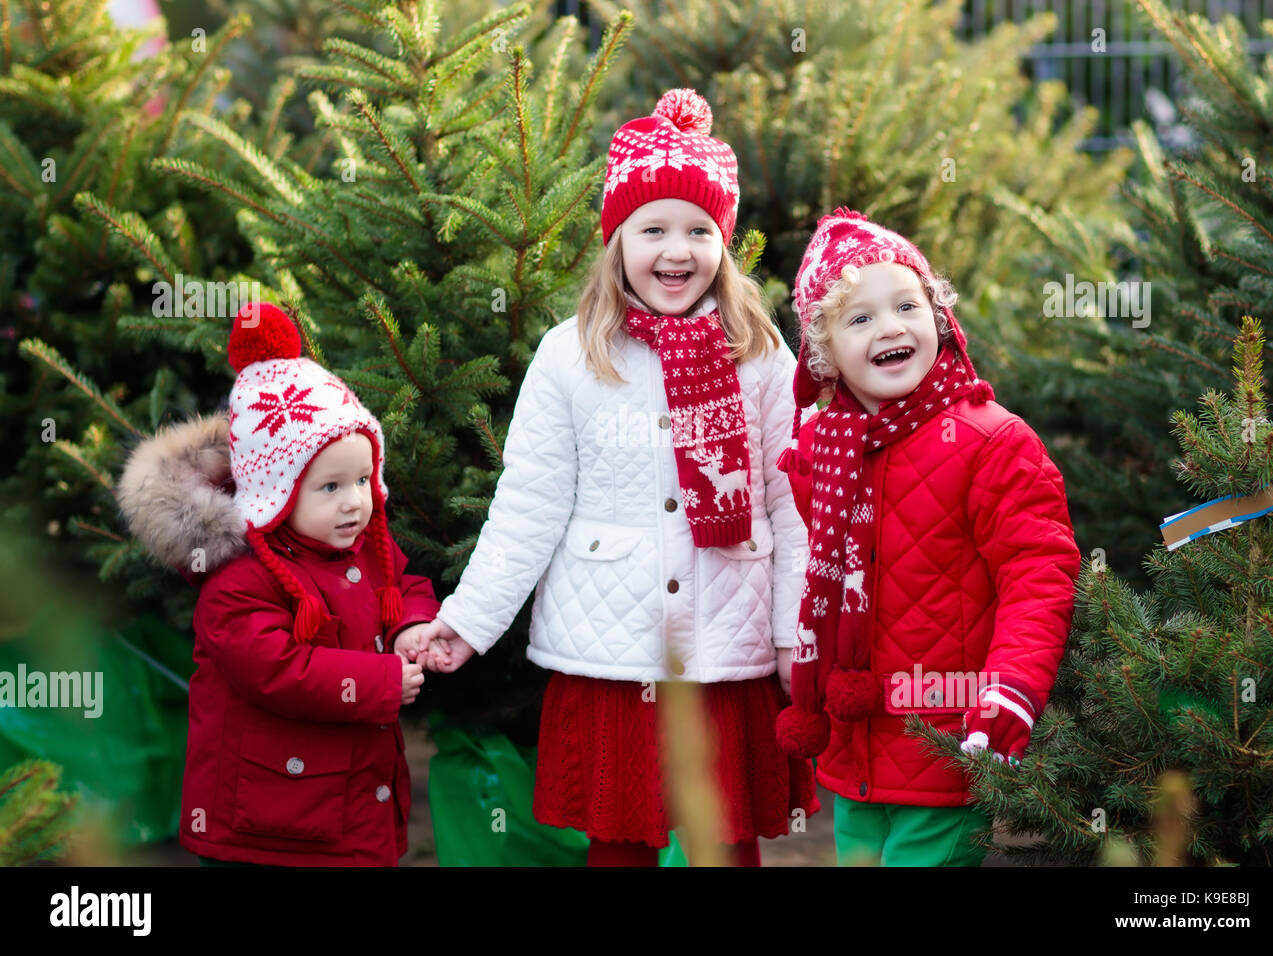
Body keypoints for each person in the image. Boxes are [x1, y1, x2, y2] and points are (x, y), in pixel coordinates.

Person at [423, 88, 817, 867]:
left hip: (725, 648)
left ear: (724, 241)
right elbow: (530, 505)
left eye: (700, 230)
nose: (678, 250)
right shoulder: (569, 355)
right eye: (654, 229)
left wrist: (789, 636)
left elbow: (790, 504)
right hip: (615, 651)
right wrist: (468, 622)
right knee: (622, 839)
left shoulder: (762, 355)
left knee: (724, 840)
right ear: (617, 238)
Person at [773, 209, 1081, 866]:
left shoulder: (991, 441)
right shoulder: (827, 449)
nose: (889, 327)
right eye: (859, 318)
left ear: (939, 318)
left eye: (905, 305)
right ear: (825, 353)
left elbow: (1038, 569)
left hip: (947, 738)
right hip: (853, 744)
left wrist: (1012, 687)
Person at [116, 302, 440, 866]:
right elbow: (277, 669)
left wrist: (411, 623)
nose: (355, 501)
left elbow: (403, 580)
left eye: (364, 479)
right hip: (267, 827)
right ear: (276, 491)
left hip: (345, 804)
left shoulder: (364, 544)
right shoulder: (240, 578)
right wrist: (382, 680)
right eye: (330, 486)